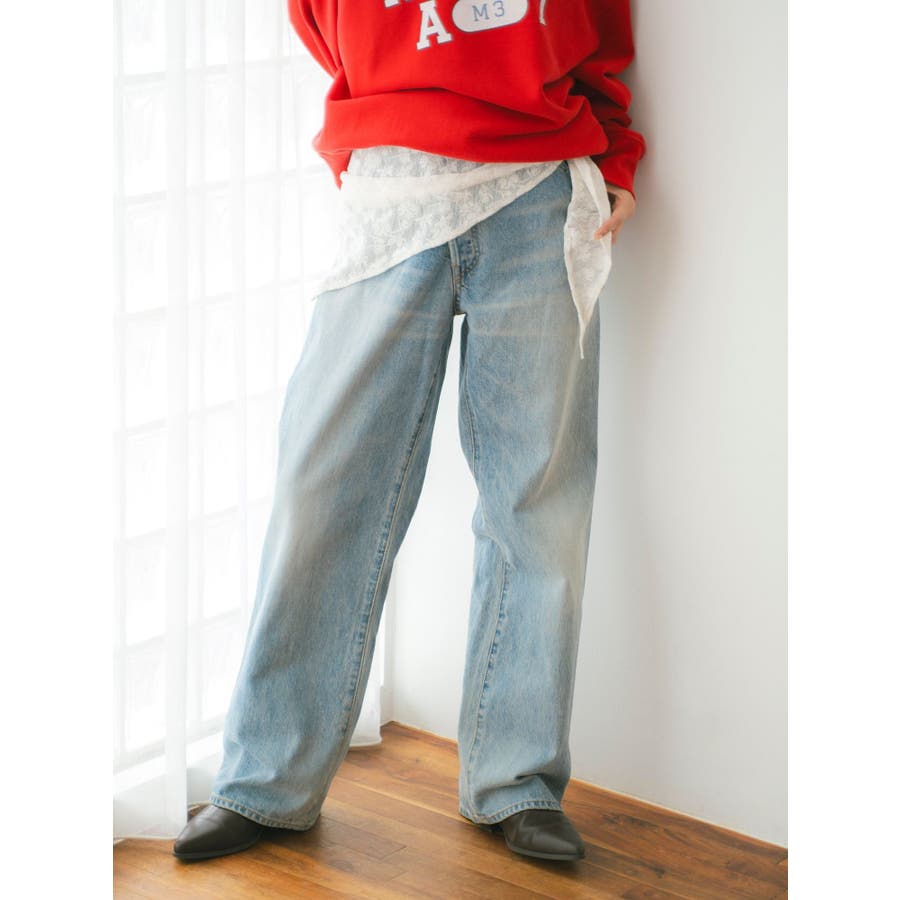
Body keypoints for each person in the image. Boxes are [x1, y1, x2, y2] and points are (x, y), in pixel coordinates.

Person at [174, 0, 646, 864]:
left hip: (539, 185)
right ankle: (267, 782)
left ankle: (517, 781)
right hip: (392, 181)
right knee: (323, 487)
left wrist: (614, 156)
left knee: (537, 502)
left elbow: (601, 29)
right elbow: (322, 22)